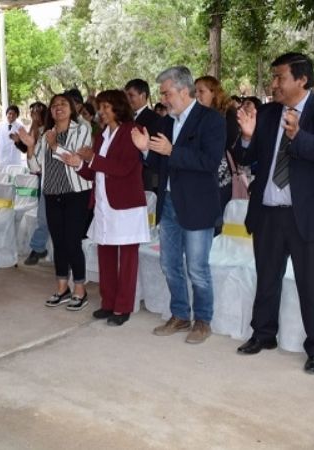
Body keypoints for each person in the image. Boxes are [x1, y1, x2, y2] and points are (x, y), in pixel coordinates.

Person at [233, 53, 314, 373]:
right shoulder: (268, 113)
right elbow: (246, 157)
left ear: (302, 79)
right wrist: (246, 136)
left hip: (310, 216)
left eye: (279, 77)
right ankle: (263, 334)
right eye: (273, 77)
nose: (273, 84)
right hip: (269, 212)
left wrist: (299, 136)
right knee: (267, 278)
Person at [132, 66, 226, 344]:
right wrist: (145, 149)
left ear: (184, 91)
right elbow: (159, 162)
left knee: (197, 268)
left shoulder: (211, 120)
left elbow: (209, 162)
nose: (163, 99)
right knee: (169, 263)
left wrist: (172, 150)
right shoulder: (166, 122)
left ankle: (203, 320)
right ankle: (180, 314)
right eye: (162, 94)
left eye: (167, 93)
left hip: (197, 204)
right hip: (169, 203)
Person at [63, 90, 148, 325]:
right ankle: (108, 302)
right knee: (106, 255)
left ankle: (123, 306)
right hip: (103, 204)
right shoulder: (101, 134)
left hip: (126, 205)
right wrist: (79, 163)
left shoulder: (133, 130)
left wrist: (92, 159)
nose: (101, 112)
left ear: (118, 108)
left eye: (106, 107)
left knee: (127, 259)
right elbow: (94, 172)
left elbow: (123, 168)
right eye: (100, 107)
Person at [18, 93, 92, 310]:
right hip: (51, 193)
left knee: (72, 242)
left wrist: (54, 145)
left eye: (63, 104)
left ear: (72, 108)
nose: (58, 107)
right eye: (54, 105)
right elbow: (35, 168)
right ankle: (62, 288)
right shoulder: (46, 133)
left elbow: (74, 159)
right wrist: (30, 147)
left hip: (75, 193)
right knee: (58, 242)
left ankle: (80, 289)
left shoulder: (82, 129)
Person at [195, 75, 241, 229]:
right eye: (195, 91)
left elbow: (228, 141)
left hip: (220, 177)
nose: (197, 95)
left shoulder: (228, 113)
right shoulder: (195, 115)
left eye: (201, 91)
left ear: (214, 92)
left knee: (217, 222)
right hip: (199, 175)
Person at [19, 101, 50, 266]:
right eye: (33, 114)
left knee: (52, 218)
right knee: (43, 217)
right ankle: (38, 248)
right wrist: (29, 147)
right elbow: (34, 165)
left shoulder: (51, 132)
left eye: (37, 113)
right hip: (43, 179)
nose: (34, 116)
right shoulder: (38, 131)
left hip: (63, 183)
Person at [0, 105, 24, 173]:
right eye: (9, 113)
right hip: (1, 158)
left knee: (14, 175)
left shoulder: (20, 127)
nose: (11, 116)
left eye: (14, 114)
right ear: (6, 114)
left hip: (14, 158)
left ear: (17, 115)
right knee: (2, 176)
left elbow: (23, 144)